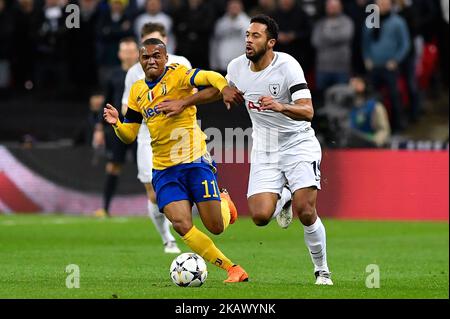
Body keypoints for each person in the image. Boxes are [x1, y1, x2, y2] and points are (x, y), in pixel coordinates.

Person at [159, 15, 333, 285]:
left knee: (306, 210)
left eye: (256, 36)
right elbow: (220, 91)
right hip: (265, 149)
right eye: (247, 35)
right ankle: (283, 197)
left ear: (271, 42)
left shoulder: (288, 66)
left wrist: (280, 106)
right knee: (261, 216)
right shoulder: (237, 67)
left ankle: (322, 271)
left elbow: (308, 111)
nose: (249, 41)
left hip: (298, 144)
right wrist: (185, 102)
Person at [103, 37, 249, 283]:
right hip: (164, 170)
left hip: (195, 162)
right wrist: (117, 123)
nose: (151, 60)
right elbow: (129, 134)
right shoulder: (138, 90)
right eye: (146, 57)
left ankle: (225, 204)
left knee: (216, 226)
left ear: (165, 58)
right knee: (181, 224)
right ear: (140, 60)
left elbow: (211, 77)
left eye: (156, 56)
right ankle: (232, 268)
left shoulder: (179, 75)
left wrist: (224, 89)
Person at [121, 22, 191, 254]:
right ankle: (167, 238)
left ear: (165, 41)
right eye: (146, 43)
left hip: (179, 135)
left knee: (182, 185)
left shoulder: (181, 63)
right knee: (153, 192)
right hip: (146, 136)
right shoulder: (134, 72)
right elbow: (127, 106)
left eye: (156, 41)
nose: (151, 52)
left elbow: (193, 95)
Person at [93, 37, 139, 218]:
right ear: (120, 54)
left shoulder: (144, 74)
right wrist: (98, 128)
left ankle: (161, 207)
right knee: (113, 166)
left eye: (131, 51)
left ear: (137, 53)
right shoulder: (113, 75)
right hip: (119, 127)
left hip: (141, 128)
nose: (128, 54)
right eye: (125, 51)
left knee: (150, 168)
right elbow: (106, 102)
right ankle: (105, 208)